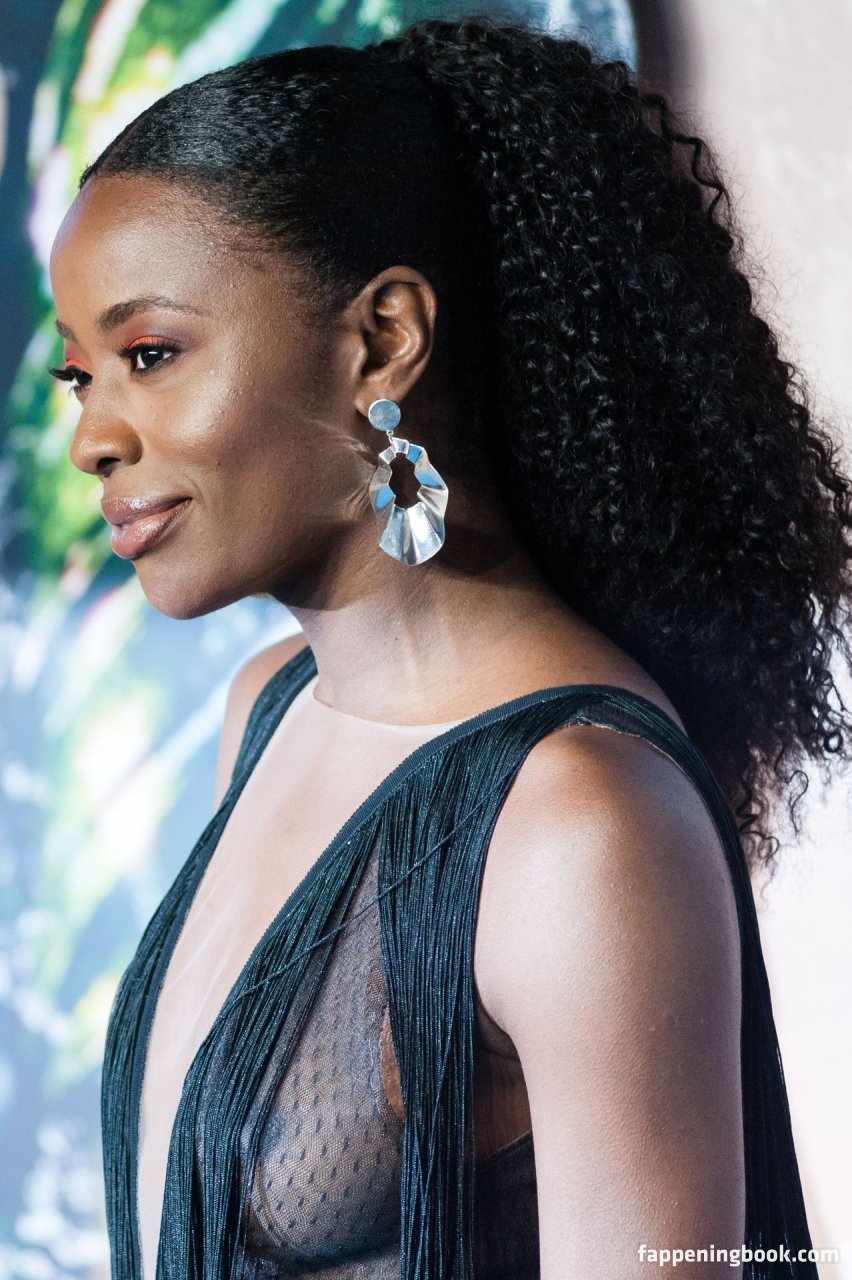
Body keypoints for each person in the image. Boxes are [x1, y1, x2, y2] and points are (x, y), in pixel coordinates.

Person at [47, 14, 851, 1279]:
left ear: (381, 341)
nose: (94, 436)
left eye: (150, 355)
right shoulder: (268, 711)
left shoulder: (578, 821)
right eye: (81, 376)